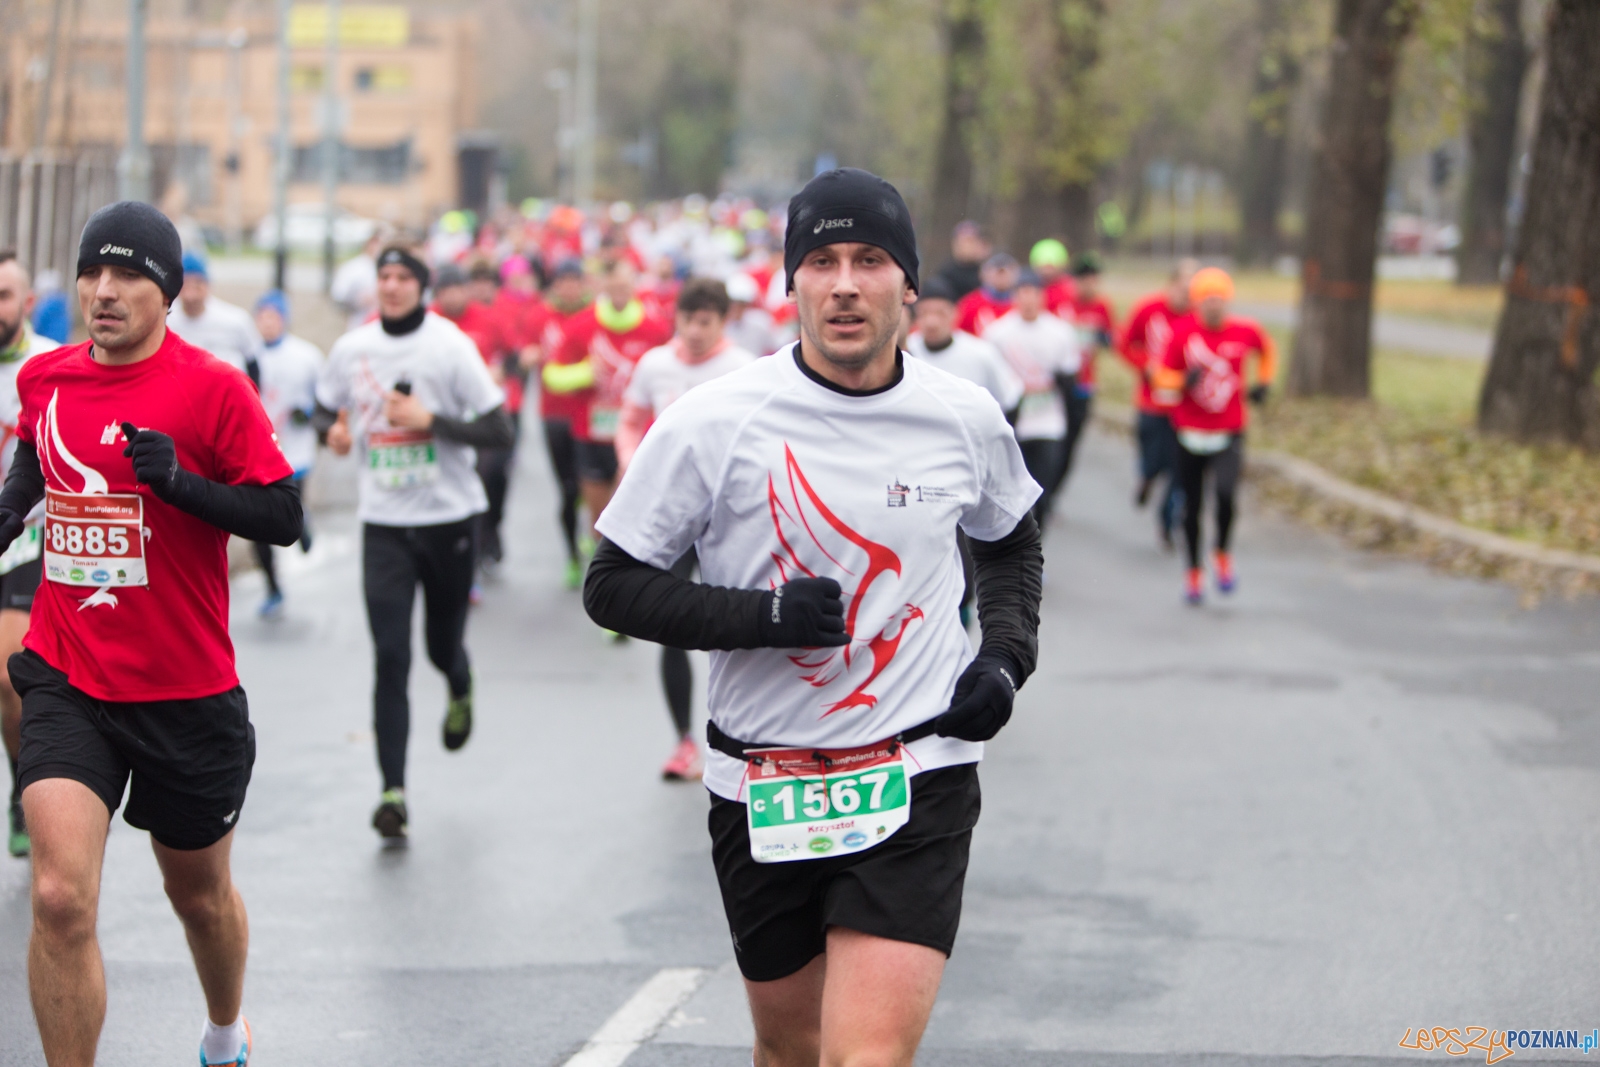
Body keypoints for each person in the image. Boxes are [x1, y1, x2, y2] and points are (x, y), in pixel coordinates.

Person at [585, 168, 1043, 1067]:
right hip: (762, 779)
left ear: (908, 282)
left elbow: (1010, 539)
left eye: (870, 259)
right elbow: (613, 584)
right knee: (791, 1050)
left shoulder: (963, 416)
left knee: (862, 1057)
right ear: (789, 283)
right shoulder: (712, 421)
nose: (844, 282)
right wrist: (764, 615)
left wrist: (1005, 656)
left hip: (919, 769)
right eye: (821, 260)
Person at [1, 201, 302, 1067]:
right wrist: (10, 510)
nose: (104, 290)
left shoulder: (214, 389)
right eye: (93, 271)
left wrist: (179, 483)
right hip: (70, 673)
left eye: (128, 274)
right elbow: (36, 449)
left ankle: (222, 1029)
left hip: (186, 689)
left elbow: (283, 513)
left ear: (166, 292)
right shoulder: (47, 376)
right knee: (59, 898)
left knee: (199, 894)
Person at [314, 245, 514, 842]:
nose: (392, 286)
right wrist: (336, 434)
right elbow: (322, 412)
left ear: (422, 287)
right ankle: (392, 792)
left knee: (438, 647)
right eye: (384, 276)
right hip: (384, 525)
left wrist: (432, 422)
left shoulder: (449, 346)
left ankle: (459, 680)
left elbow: (499, 429)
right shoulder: (353, 348)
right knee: (391, 656)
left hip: (450, 520)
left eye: (404, 277)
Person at [614, 278, 755, 783]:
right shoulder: (655, 365)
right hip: (672, 517)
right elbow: (630, 421)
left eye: (705, 322)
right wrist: (635, 467)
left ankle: (747, 735)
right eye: (687, 320)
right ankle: (682, 741)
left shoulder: (742, 369)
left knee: (741, 622)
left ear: (723, 321)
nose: (694, 331)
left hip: (730, 518)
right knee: (671, 628)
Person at [1152, 267, 1275, 605]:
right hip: (1189, 432)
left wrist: (1263, 383)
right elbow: (1161, 377)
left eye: (1219, 299)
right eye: (1206, 300)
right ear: (1196, 302)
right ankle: (1192, 570)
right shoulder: (1182, 335)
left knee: (1225, 495)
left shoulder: (1244, 331)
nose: (1213, 306)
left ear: (1227, 300)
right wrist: (1181, 382)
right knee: (1191, 506)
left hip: (1229, 430)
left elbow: (1267, 350)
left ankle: (1221, 552)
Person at [0, 252, 56, 858]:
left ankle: (21, 792)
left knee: (8, 674)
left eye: (3, 296)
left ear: (26, 303)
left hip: (25, 540)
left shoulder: (47, 365)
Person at [577, 258, 673, 547]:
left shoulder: (655, 327)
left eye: (624, 284)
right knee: (598, 516)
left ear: (634, 285)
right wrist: (582, 373)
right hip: (592, 430)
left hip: (639, 433)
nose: (619, 290)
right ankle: (598, 564)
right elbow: (551, 373)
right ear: (604, 285)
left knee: (633, 513)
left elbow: (670, 369)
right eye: (613, 284)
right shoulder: (583, 323)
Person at [433, 262, 519, 572]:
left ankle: (490, 531)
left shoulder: (489, 318)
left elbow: (514, 357)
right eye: (445, 291)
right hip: (444, 416)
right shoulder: (430, 321)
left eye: (457, 289)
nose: (452, 297)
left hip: (485, 413)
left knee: (493, 476)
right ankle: (465, 545)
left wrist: (500, 372)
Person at [984, 269, 1081, 524]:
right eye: (1022, 293)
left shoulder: (1060, 331)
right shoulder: (997, 333)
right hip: (1011, 424)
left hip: (1048, 422)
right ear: (1014, 296)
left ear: (1042, 296)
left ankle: (1037, 551)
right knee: (1011, 495)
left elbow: (1070, 373)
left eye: (1033, 293)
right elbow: (989, 380)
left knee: (1042, 491)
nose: (1028, 299)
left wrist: (1063, 385)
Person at [250, 290, 322, 618]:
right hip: (255, 453)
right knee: (258, 527)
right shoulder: (246, 358)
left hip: (295, 453)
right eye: (261, 317)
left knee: (289, 509)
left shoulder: (306, 356)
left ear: (284, 319)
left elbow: (325, 403)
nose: (267, 324)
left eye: (273, 317)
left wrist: (307, 414)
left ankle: (302, 522)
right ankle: (273, 587)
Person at [1119, 258, 1198, 548]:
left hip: (1185, 407)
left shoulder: (1197, 318)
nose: (1187, 293)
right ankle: (1147, 478)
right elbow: (1126, 342)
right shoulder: (1149, 310)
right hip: (1151, 402)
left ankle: (1168, 522)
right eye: (1183, 286)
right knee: (1153, 460)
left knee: (1179, 469)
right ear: (1171, 284)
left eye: (1193, 288)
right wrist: (1146, 366)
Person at [535, 259, 596, 588]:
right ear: (555, 285)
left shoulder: (595, 317)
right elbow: (523, 349)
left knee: (593, 486)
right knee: (568, 489)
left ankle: (593, 539)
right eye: (563, 281)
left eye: (576, 280)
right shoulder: (542, 316)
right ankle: (572, 554)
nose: (570, 287)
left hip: (588, 415)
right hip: (554, 414)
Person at [905, 277, 1022, 413]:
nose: (932, 322)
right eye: (924, 313)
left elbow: (1009, 398)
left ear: (955, 314)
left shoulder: (981, 353)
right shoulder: (904, 353)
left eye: (940, 313)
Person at [166, 251, 263, 375]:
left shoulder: (235, 320)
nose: (191, 291)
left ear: (207, 284)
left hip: (222, 389)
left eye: (197, 283)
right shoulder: (165, 319)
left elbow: (253, 361)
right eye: (186, 283)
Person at [954, 252, 1019, 337]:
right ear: (984, 274)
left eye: (1005, 273)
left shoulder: (1022, 305)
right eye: (997, 273)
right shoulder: (969, 304)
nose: (1001, 278)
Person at [330, 231, 383, 330]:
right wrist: (357, 300)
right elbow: (338, 297)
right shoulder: (353, 268)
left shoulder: (391, 268)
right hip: (359, 325)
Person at [932, 219, 990, 300]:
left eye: (970, 241)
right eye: (962, 242)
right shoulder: (946, 272)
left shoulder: (987, 273)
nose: (966, 246)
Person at [723, 272, 779, 356]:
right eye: (732, 303)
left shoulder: (760, 322)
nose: (735, 308)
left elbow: (775, 346)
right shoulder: (720, 325)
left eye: (740, 304)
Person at [1029, 239, 1077, 315]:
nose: (1047, 272)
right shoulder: (1031, 288)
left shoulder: (1070, 289)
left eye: (1050, 267)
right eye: (1044, 267)